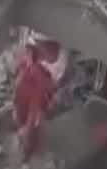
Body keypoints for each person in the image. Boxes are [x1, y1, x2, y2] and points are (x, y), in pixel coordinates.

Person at [12, 30, 68, 159]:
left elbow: (53, 79)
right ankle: (25, 135)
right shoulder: (33, 57)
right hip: (35, 77)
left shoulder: (55, 63)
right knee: (23, 99)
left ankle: (28, 142)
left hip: (41, 82)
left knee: (33, 112)